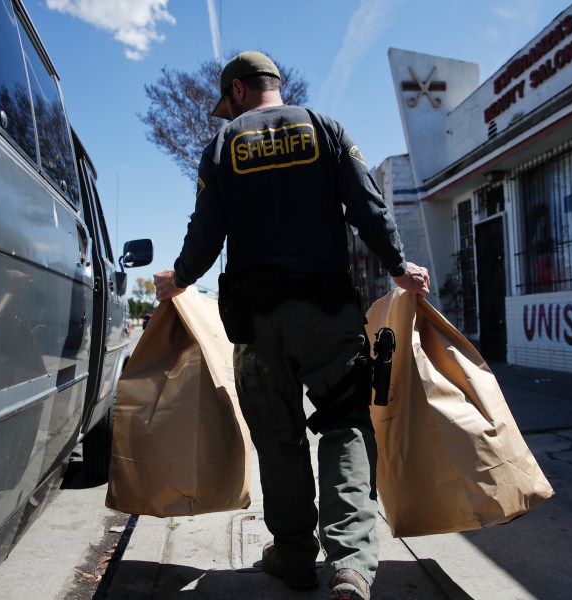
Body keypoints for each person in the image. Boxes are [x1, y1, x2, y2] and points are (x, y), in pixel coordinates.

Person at [153, 51, 430, 600]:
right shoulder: (325, 130)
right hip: (329, 316)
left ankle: (297, 558)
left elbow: (206, 232)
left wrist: (178, 278)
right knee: (345, 425)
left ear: (236, 90)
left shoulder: (223, 145)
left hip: (257, 326)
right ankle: (350, 564)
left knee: (278, 439)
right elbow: (368, 207)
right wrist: (401, 267)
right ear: (275, 86)